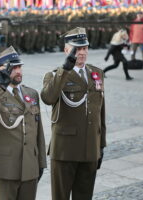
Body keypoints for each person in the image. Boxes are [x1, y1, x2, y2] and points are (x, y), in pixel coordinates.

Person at [0, 46, 47, 200]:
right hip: (5, 168)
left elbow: (38, 132)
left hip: (29, 166)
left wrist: (40, 163)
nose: (18, 71)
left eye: (19, 66)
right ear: (1, 70)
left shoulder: (31, 93)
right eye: (13, 68)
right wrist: (0, 86)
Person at [41, 27, 106, 200]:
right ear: (66, 50)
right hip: (65, 150)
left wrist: (101, 145)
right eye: (76, 48)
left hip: (90, 149)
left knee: (84, 196)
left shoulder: (96, 73)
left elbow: (101, 112)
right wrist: (65, 69)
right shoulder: (55, 75)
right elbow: (48, 97)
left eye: (84, 48)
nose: (82, 52)